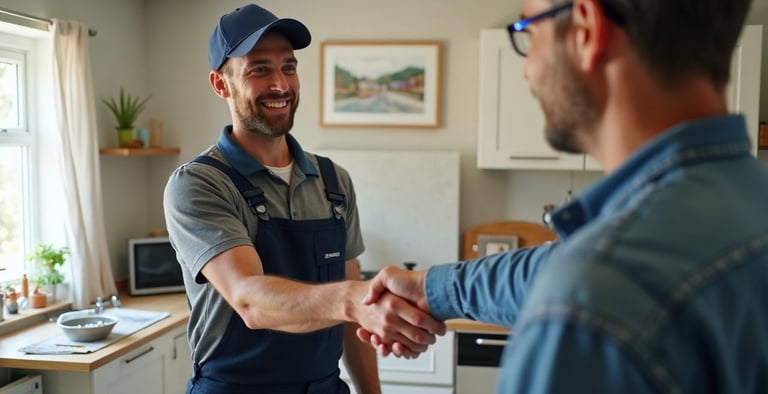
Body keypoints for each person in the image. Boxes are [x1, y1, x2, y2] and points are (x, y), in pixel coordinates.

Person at [358, 0, 768, 393]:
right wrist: (432, 288)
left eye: (529, 33)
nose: (527, 71)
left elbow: (583, 279)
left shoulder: (590, 300)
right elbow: (551, 266)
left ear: (587, 29)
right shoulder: (742, 204)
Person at [163, 4, 445, 393]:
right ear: (220, 84)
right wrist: (353, 298)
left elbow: (352, 321)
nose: (280, 84)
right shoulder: (199, 184)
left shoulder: (333, 182)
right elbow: (249, 300)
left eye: (289, 67)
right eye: (259, 69)